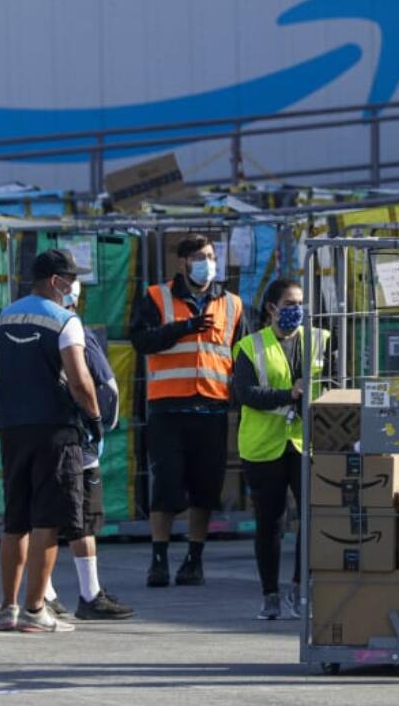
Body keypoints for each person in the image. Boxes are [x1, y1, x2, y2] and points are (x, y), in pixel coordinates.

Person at [0, 249, 101, 633]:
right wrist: (95, 416)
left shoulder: (4, 317)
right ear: (55, 281)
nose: (74, 287)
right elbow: (81, 379)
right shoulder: (66, 321)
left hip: (13, 429)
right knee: (47, 521)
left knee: (15, 521)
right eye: (70, 280)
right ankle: (36, 609)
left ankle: (7, 609)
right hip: (55, 430)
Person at [130, 234, 246, 588]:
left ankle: (194, 559)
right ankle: (159, 558)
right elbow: (142, 341)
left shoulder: (232, 304)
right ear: (182, 262)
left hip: (211, 405)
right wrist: (183, 328)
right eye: (199, 256)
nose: (206, 262)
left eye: (211, 256)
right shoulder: (155, 296)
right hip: (168, 405)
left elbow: (239, 354)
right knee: (165, 486)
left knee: (204, 488)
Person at [232, 279, 331, 620]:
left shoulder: (319, 340)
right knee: (270, 522)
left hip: (307, 441)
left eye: (300, 302)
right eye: (289, 303)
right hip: (263, 445)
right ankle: (270, 594)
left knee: (312, 515)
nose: (297, 309)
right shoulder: (249, 346)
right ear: (272, 307)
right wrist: (289, 394)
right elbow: (246, 394)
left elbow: (333, 384)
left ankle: (300, 588)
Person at [44, 322, 136, 621]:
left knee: (44, 516)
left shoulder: (19, 325)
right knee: (84, 516)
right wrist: (98, 421)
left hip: (37, 436)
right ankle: (89, 594)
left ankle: (44, 593)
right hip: (77, 437)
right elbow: (98, 384)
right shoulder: (73, 330)